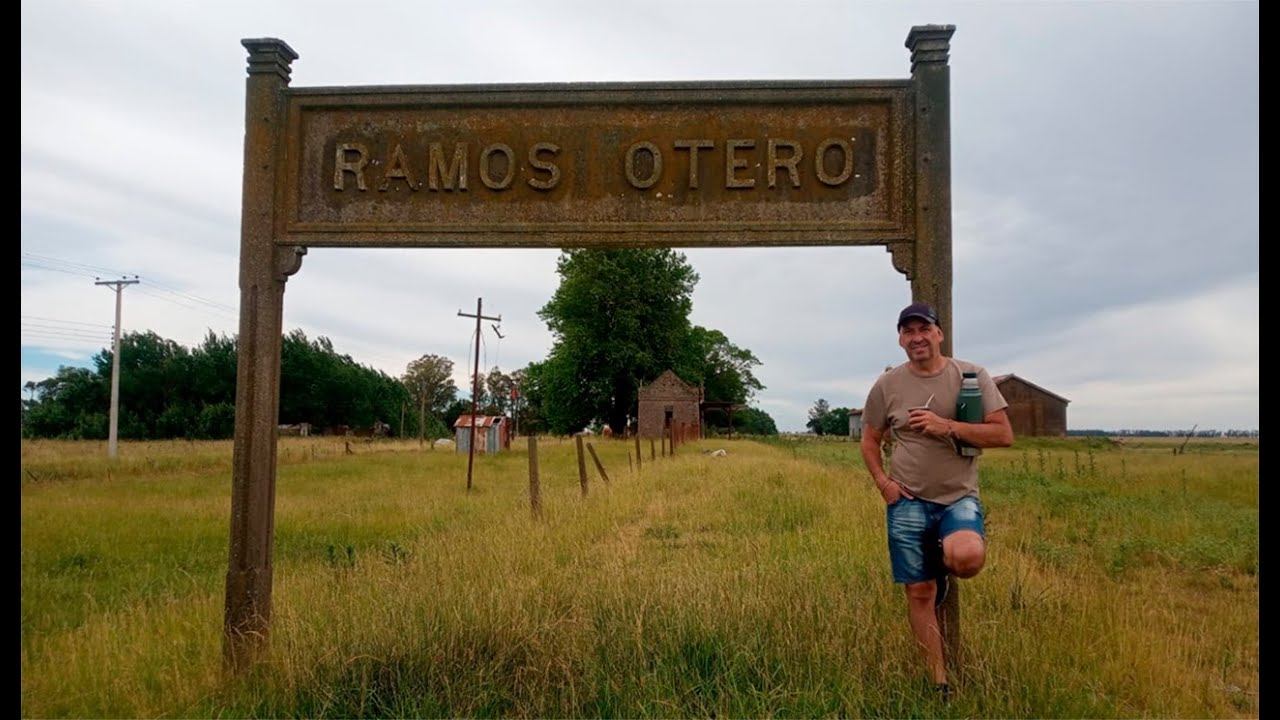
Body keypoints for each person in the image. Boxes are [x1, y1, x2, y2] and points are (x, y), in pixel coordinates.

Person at [859, 301, 1014, 700]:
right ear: (900, 339)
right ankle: (938, 681)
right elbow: (870, 438)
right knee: (918, 592)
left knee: (967, 558)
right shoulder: (888, 384)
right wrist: (883, 483)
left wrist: (947, 426)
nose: (916, 338)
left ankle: (944, 562)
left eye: (923, 329)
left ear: (939, 333)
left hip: (958, 497)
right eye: (908, 331)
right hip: (907, 500)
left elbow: (1002, 435)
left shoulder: (970, 376)